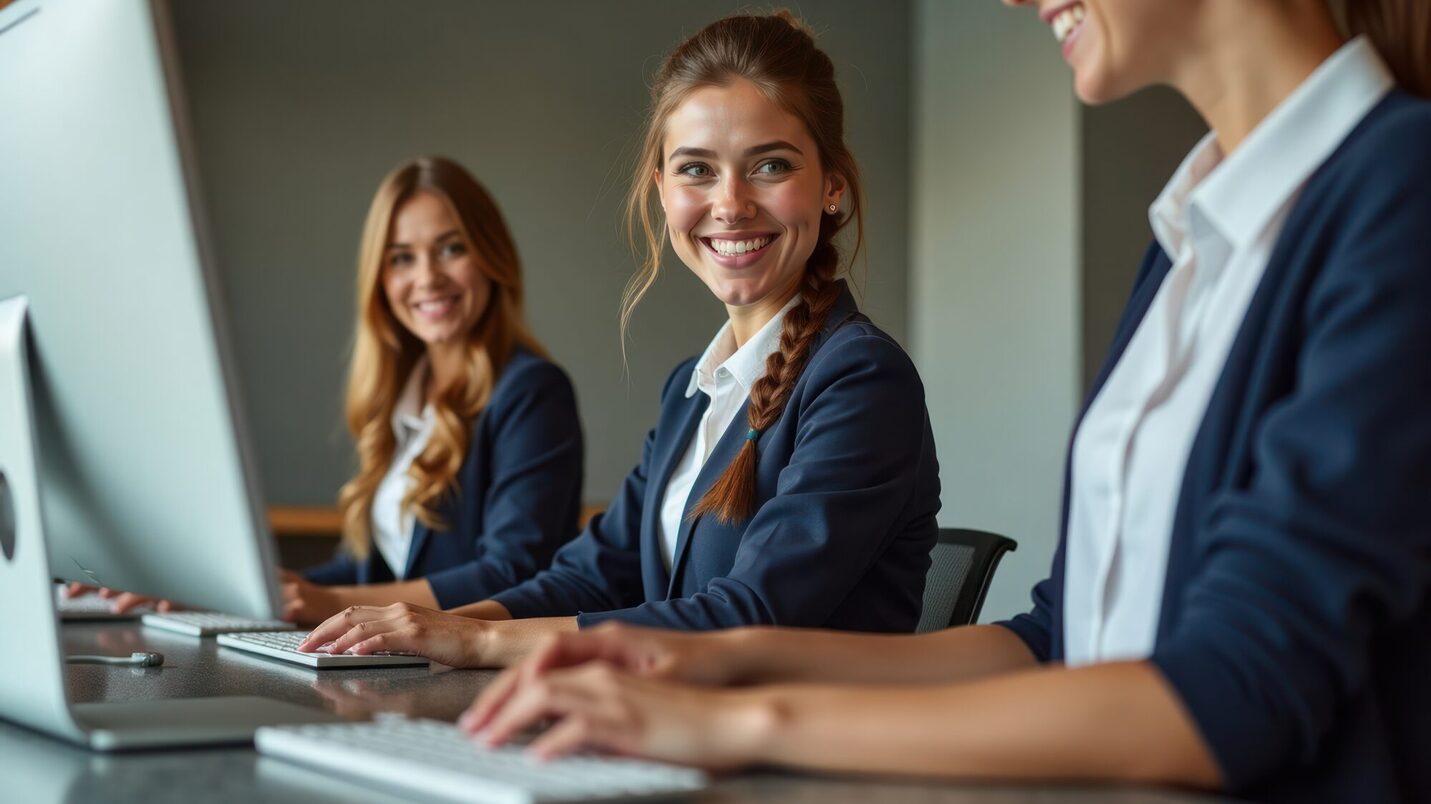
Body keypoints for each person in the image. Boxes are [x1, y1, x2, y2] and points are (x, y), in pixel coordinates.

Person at [459, 4, 1431, 802]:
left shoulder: (1398, 189)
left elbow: (1233, 691)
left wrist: (746, 715)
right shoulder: (1191, 235)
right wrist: (710, 663)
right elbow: (1061, 640)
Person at [299, 11, 941, 668]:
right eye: (696, 170)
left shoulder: (861, 378)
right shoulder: (692, 390)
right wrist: (417, 631)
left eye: (769, 165)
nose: (729, 203)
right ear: (662, 192)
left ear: (831, 186)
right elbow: (589, 576)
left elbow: (747, 616)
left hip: (806, 758)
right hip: (673, 732)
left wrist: (481, 641)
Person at [69, 156, 585, 625]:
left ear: (491, 258)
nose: (427, 277)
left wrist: (330, 604)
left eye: (451, 249)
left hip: (478, 677)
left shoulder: (532, 391)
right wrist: (230, 592)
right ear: (380, 279)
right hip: (403, 664)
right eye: (402, 258)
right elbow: (368, 572)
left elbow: (513, 572)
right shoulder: (404, 399)